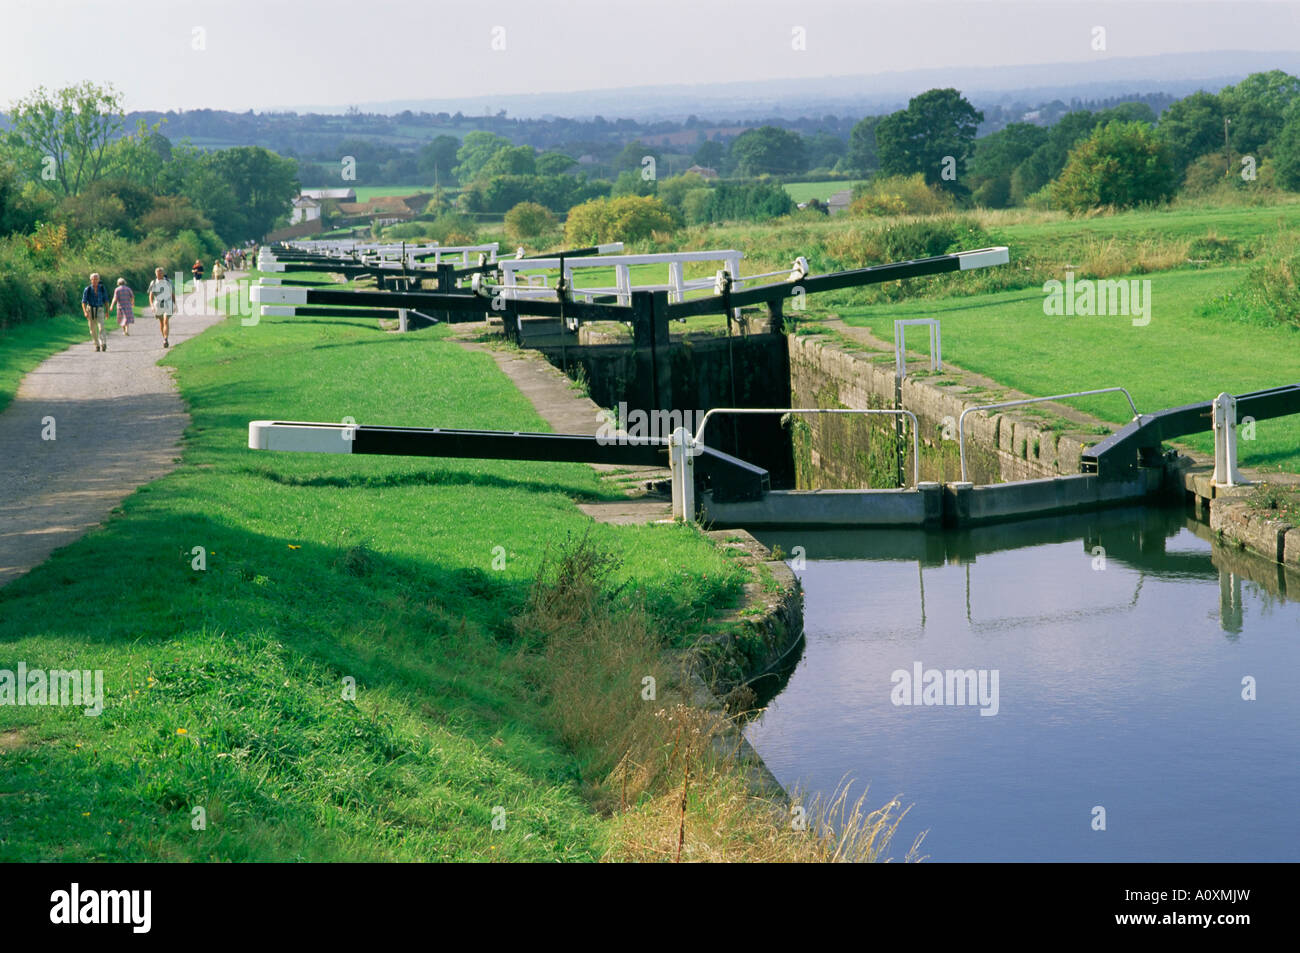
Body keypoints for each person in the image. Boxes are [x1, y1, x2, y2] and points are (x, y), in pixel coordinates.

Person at [81, 272, 111, 352]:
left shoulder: (102, 288)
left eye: (96, 279)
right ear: (91, 280)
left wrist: (107, 311)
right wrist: (85, 312)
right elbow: (83, 302)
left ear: (99, 280)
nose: (95, 281)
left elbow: (106, 300)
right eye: (93, 279)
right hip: (90, 309)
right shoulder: (87, 289)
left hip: (100, 309)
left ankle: (103, 343)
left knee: (101, 327)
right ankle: (96, 345)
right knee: (92, 329)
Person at [147, 267, 175, 349]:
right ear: (155, 274)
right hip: (158, 304)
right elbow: (151, 296)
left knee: (166, 320)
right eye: (158, 273)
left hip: (168, 303)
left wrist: (175, 304)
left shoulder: (169, 282)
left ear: (163, 273)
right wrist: (152, 306)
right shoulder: (154, 282)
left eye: (161, 273)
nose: (159, 275)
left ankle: (165, 339)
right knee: (161, 322)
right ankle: (164, 338)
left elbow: (172, 293)